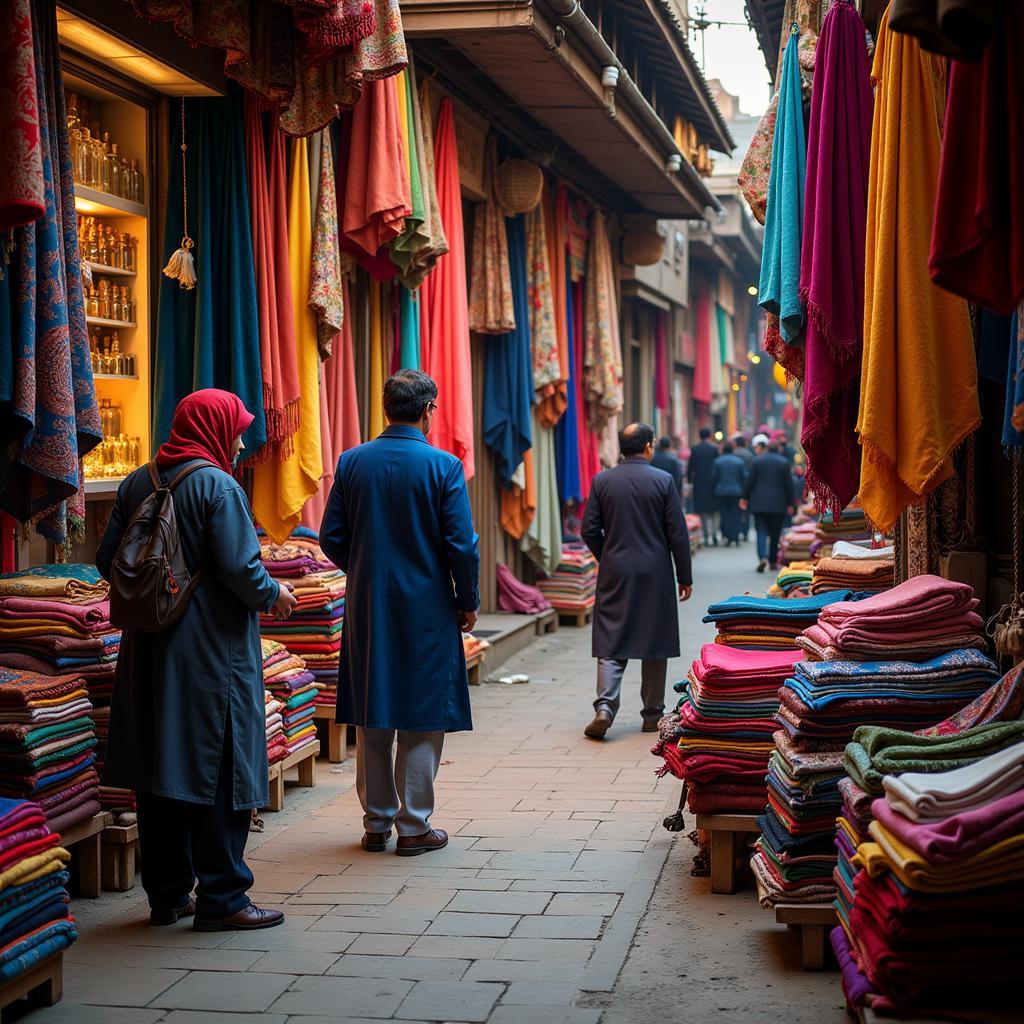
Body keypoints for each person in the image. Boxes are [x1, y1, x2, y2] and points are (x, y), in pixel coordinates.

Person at [97, 389, 297, 932]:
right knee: (220, 765)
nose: (239, 440)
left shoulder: (140, 479)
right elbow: (242, 568)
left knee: (160, 766)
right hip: (212, 651)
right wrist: (274, 594)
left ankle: (166, 896)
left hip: (149, 649)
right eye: (235, 429)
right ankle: (224, 898)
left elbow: (105, 558)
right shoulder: (217, 485)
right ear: (212, 429)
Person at [320, 370, 479, 857]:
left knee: (374, 709)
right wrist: (466, 599)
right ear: (429, 409)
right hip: (428, 605)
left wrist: (365, 568)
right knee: (422, 712)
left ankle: (376, 823)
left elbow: (331, 537)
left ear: (385, 408)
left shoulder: (351, 463)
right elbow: (462, 546)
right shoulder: (444, 467)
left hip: (368, 604)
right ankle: (414, 827)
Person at [581, 423, 693, 739]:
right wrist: (684, 576)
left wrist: (608, 555)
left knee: (611, 636)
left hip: (615, 570)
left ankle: (605, 707)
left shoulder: (603, 480)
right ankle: (652, 715)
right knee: (654, 640)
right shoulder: (662, 480)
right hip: (655, 572)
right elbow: (677, 533)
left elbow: (589, 529)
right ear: (647, 447)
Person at [741, 433, 797, 573]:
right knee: (775, 533)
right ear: (778, 449)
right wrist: (791, 504)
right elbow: (788, 485)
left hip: (759, 503)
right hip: (778, 504)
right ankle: (772, 561)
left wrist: (744, 498)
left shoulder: (757, 461)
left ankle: (762, 557)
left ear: (766, 448)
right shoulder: (784, 463)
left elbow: (750, 482)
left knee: (761, 530)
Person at [687, 427, 720, 546]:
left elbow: (691, 467)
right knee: (715, 509)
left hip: (699, 483)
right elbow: (718, 465)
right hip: (713, 483)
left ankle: (706, 535)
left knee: (703, 511)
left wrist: (690, 482)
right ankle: (715, 534)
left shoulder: (695, 449)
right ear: (709, 435)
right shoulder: (714, 449)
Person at [711, 441, 748, 546]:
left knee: (724, 514)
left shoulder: (717, 461)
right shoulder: (739, 462)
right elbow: (744, 477)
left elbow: (713, 477)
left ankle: (728, 536)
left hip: (721, 491)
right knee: (735, 513)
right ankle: (735, 536)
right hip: (736, 492)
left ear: (723, 450)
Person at [732, 434, 754, 539]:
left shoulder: (733, 454)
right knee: (746, 510)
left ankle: (737, 530)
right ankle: (745, 531)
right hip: (747, 484)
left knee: (736, 510)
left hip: (735, 484)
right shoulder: (749, 455)